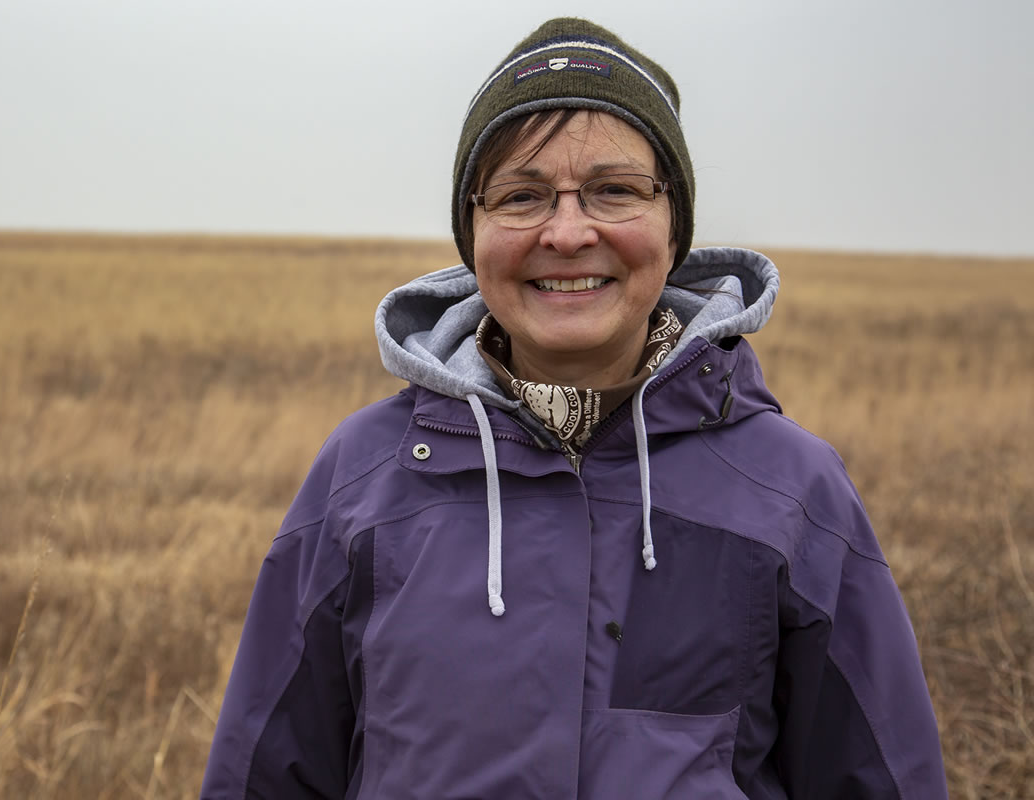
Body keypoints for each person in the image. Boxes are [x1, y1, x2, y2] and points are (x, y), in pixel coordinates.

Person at [200, 17, 946, 799]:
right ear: (473, 231)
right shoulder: (363, 479)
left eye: (614, 190)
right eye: (521, 196)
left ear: (674, 224)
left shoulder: (793, 490)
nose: (567, 232)